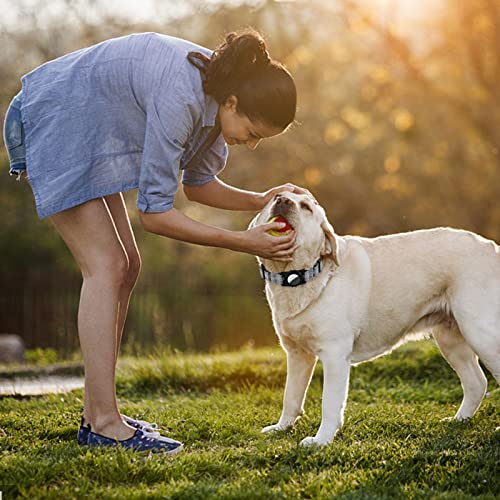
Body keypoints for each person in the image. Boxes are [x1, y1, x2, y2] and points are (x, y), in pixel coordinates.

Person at [2, 29, 310, 454]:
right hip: (53, 116)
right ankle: (104, 424)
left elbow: (199, 186)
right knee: (106, 266)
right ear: (234, 103)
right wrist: (246, 242)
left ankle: (98, 414)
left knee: (128, 265)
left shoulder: (218, 100)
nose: (252, 145)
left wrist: (261, 199)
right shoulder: (182, 97)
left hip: (88, 125)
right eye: (252, 131)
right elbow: (155, 215)